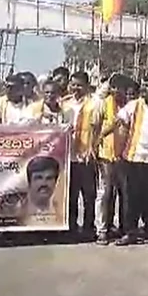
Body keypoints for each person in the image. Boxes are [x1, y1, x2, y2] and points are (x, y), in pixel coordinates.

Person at [99, 76, 148, 247]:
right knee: (131, 198)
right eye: (143, 85)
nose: (145, 88)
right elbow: (118, 122)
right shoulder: (133, 105)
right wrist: (101, 135)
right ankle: (130, 232)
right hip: (133, 157)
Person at [91, 74, 134, 244]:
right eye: (115, 88)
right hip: (106, 155)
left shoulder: (130, 106)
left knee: (124, 193)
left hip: (126, 156)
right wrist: (93, 147)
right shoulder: (103, 103)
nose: (118, 92)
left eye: (122, 89)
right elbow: (95, 127)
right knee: (105, 193)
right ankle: (102, 229)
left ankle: (123, 228)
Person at [63, 71, 99, 239]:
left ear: (86, 86)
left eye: (79, 85)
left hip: (86, 155)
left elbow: (97, 128)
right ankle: (71, 228)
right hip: (67, 155)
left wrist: (93, 147)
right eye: (73, 84)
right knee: (71, 195)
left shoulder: (94, 103)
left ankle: (88, 228)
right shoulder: (65, 104)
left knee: (89, 195)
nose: (75, 88)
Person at [20, 156, 61, 222]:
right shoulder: (17, 211)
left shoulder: (60, 213)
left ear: (55, 182)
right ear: (29, 182)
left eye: (49, 178)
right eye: (39, 178)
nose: (44, 183)